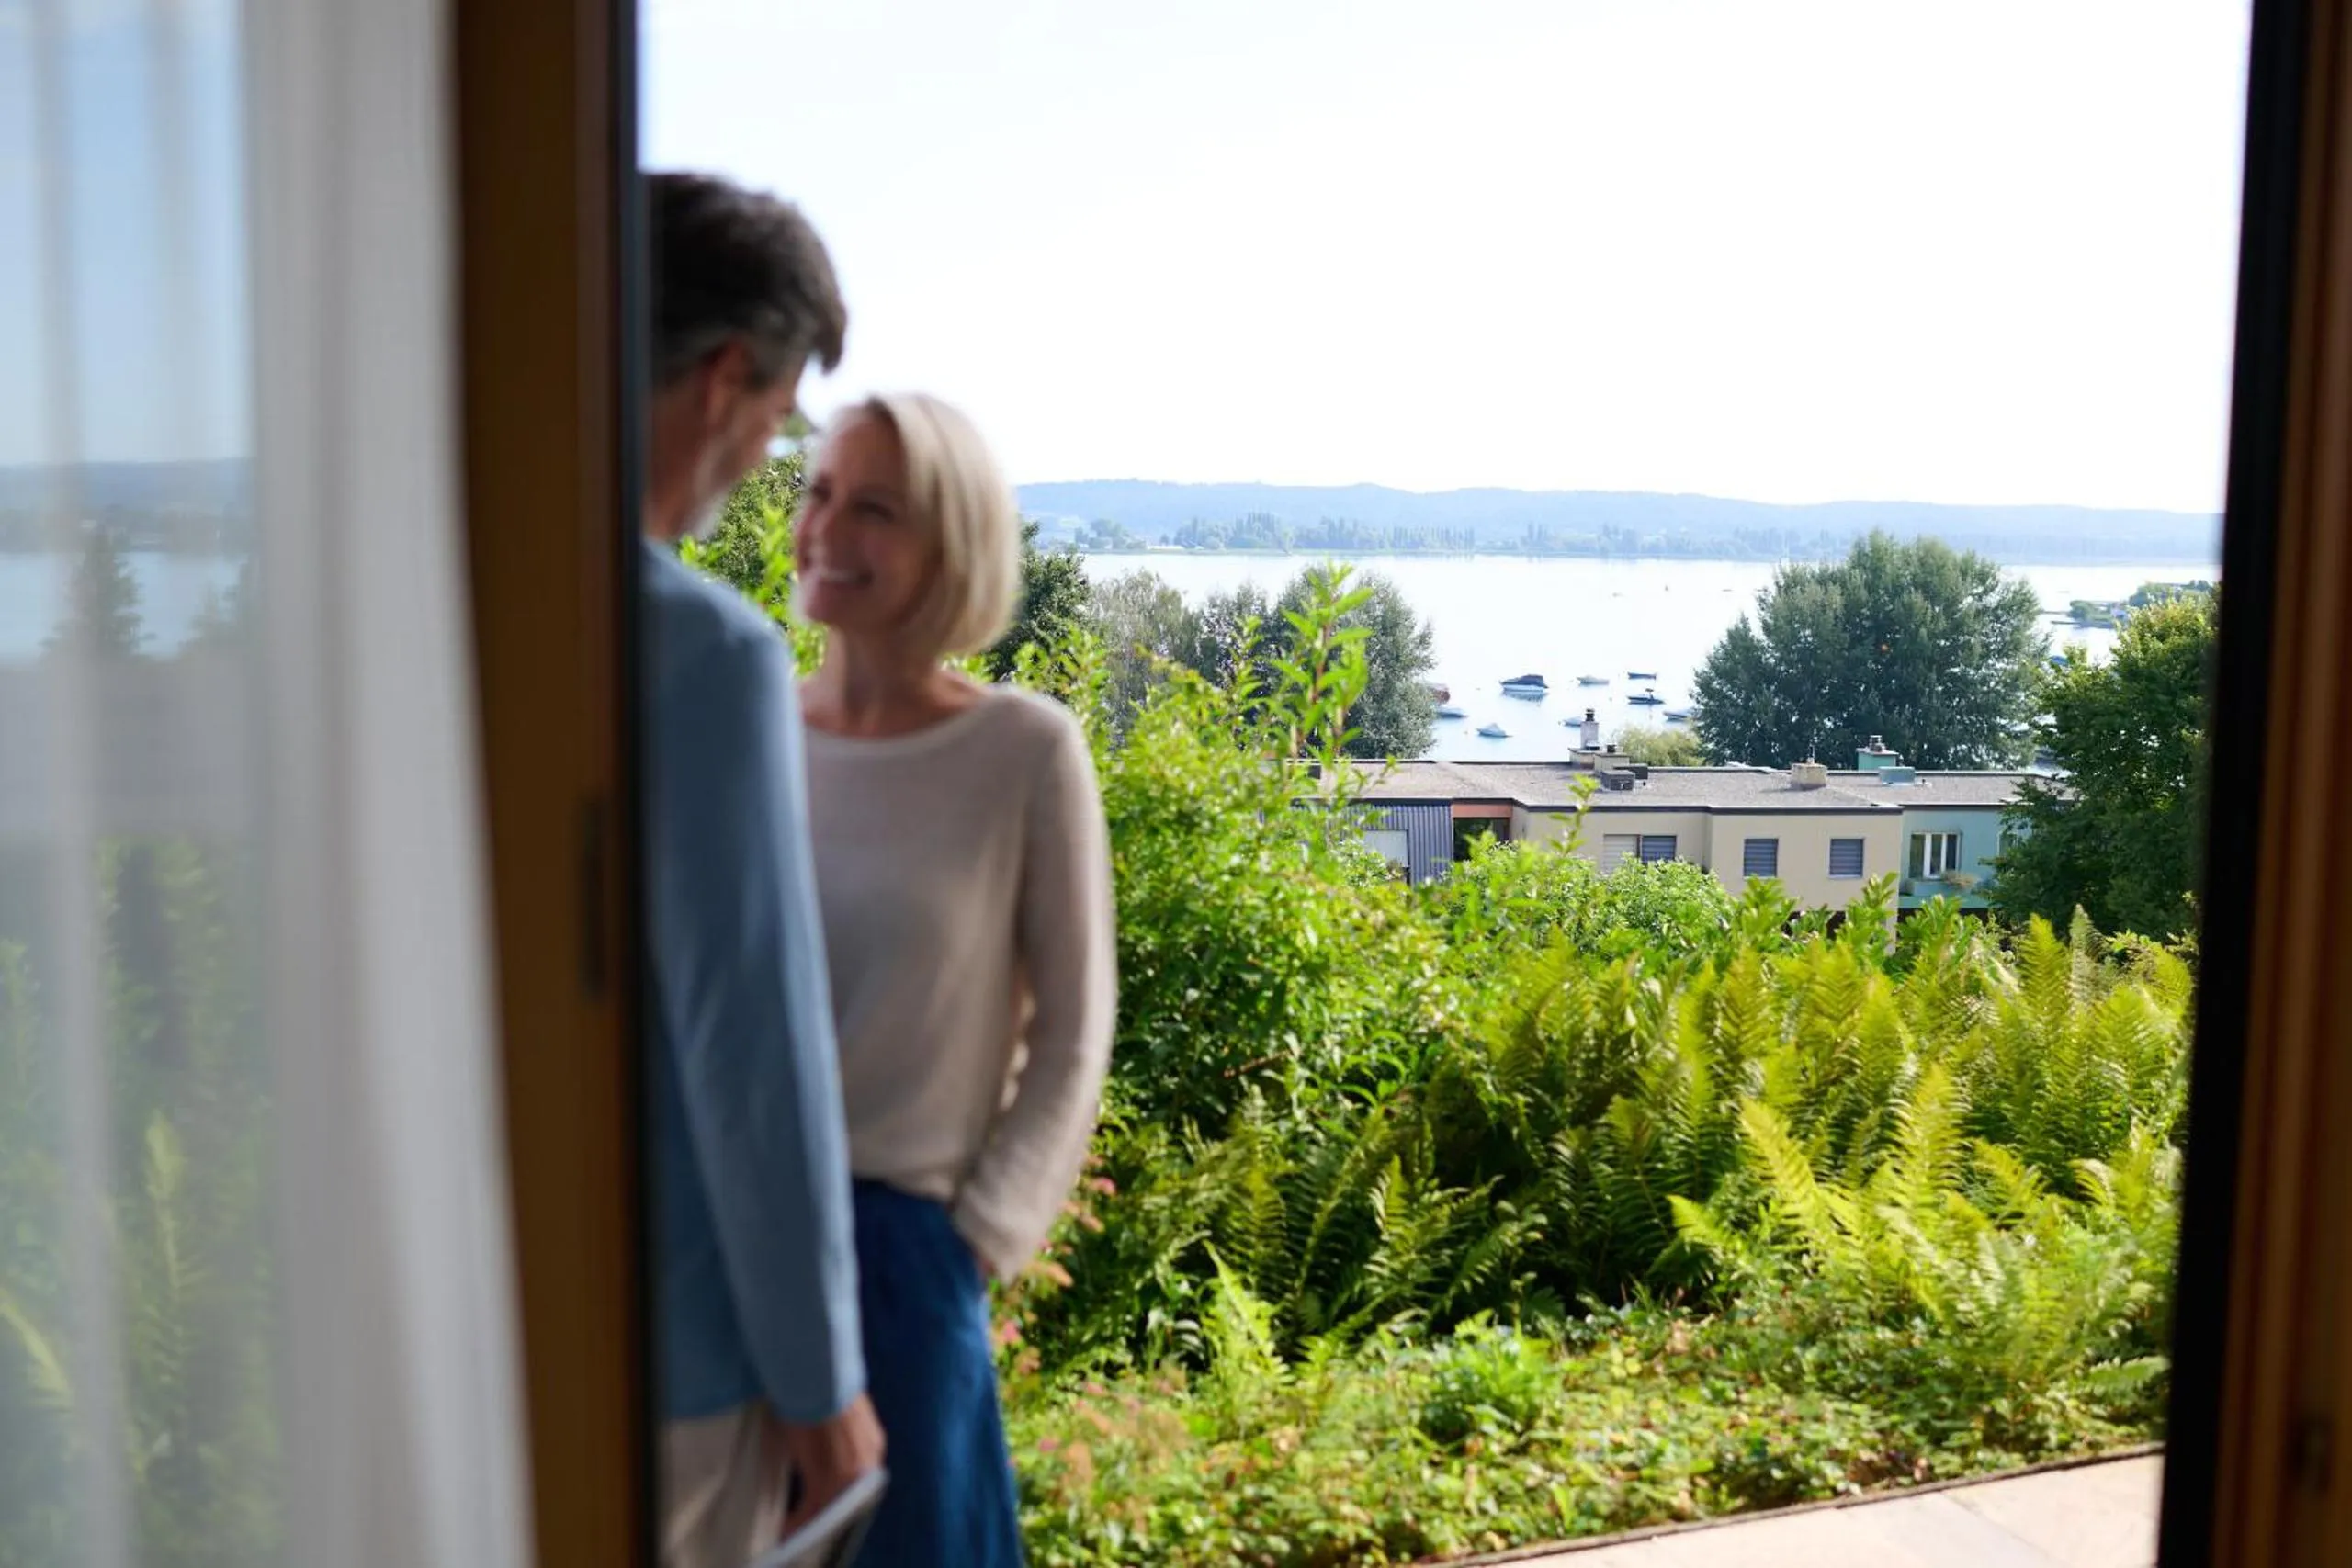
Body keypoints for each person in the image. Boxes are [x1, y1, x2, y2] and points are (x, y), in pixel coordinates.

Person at [794, 393, 1117, 1566]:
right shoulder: (756, 736)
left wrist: (976, 1240)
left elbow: (1078, 1036)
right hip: (732, 1252)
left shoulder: (1022, 752)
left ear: (954, 547)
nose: (826, 528)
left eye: (872, 508)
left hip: (908, 1261)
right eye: (818, 491)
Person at [637, 171, 885, 1568]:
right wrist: (824, 1389)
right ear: (728, 376)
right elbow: (751, 1049)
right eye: (785, 419)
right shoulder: (707, 651)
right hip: (676, 1355)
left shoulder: (438, 597)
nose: (766, 470)